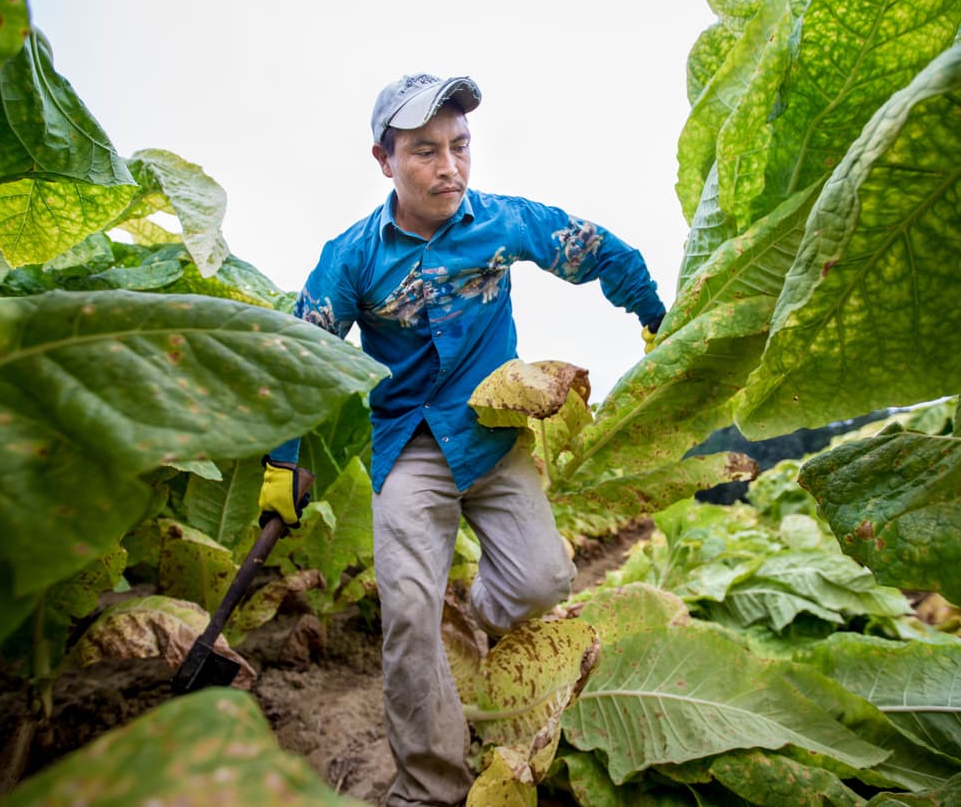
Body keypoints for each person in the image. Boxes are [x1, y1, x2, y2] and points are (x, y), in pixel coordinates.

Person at [259, 73, 666, 806]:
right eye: (425, 152)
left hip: (491, 437)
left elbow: (600, 249)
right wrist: (280, 466)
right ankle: (427, 786)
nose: (449, 166)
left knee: (544, 580)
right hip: (411, 444)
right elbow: (303, 359)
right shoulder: (351, 257)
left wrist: (656, 317)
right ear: (384, 160)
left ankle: (472, 614)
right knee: (407, 616)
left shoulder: (503, 222)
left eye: (460, 146)